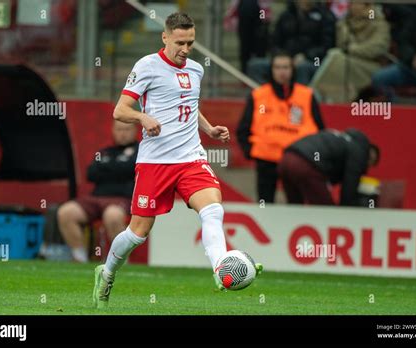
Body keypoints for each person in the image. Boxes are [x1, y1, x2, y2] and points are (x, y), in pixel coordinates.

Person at [92, 13, 263, 309]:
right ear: (165, 37)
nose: (185, 49)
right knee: (137, 234)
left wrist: (208, 128)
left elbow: (188, 106)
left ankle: (221, 269)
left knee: (212, 210)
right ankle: (106, 274)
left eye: (191, 43)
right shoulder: (147, 66)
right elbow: (120, 110)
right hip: (155, 163)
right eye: (180, 42)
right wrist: (142, 116)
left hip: (190, 158)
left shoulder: (196, 70)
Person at [237, 50, 325, 203]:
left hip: (296, 160)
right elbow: (243, 129)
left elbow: (320, 130)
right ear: (271, 70)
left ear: (292, 70)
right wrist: (250, 151)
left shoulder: (307, 95)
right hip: (266, 160)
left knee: (295, 206)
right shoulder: (258, 95)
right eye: (277, 67)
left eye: (286, 67)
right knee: (265, 205)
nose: (281, 72)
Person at [57, 120, 138, 262]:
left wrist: (108, 167)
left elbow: (132, 169)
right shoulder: (104, 152)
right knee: (66, 212)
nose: (122, 133)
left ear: (135, 131)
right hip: (96, 198)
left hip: (122, 198)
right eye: (119, 129)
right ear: (113, 131)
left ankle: (120, 261)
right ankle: (79, 258)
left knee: (112, 215)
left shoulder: (141, 151)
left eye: (126, 129)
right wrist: (120, 166)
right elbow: (91, 173)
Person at [310, 2, 390, 103]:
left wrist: (353, 49)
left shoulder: (379, 24)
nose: (352, 7)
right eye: (351, 4)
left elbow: (377, 48)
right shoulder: (345, 23)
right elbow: (342, 44)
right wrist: (344, 28)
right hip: (347, 60)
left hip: (371, 65)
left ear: (367, 6)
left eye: (356, 3)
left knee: (337, 57)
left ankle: (314, 93)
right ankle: (324, 96)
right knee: (336, 56)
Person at [278, 128, 380, 206]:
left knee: (295, 210)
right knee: (327, 212)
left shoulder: (341, 139)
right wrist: (347, 214)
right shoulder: (358, 151)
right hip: (306, 164)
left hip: (286, 159)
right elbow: (349, 187)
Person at [372, 1, 416, 103]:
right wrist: (412, 58)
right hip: (411, 65)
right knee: (380, 77)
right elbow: (403, 40)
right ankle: (397, 111)